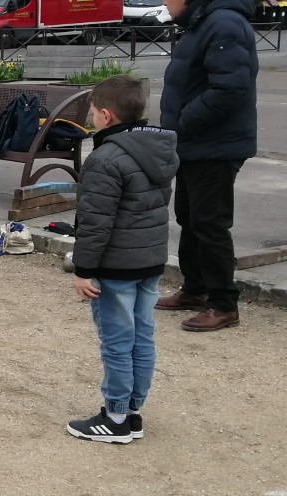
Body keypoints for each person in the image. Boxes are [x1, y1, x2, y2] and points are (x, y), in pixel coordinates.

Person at [66, 75, 179, 444]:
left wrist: (84, 270)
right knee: (142, 336)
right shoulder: (158, 149)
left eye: (93, 112)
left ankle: (114, 416)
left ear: (107, 116)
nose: (91, 118)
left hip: (117, 265)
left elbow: (95, 223)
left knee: (116, 341)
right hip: (149, 260)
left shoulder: (106, 157)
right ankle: (132, 411)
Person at [155, 0, 258, 332]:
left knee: (210, 222)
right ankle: (195, 289)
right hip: (196, 143)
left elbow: (229, 89)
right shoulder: (202, 20)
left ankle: (223, 303)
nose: (164, 2)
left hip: (215, 143)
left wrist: (183, 123)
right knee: (189, 216)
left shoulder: (223, 23)